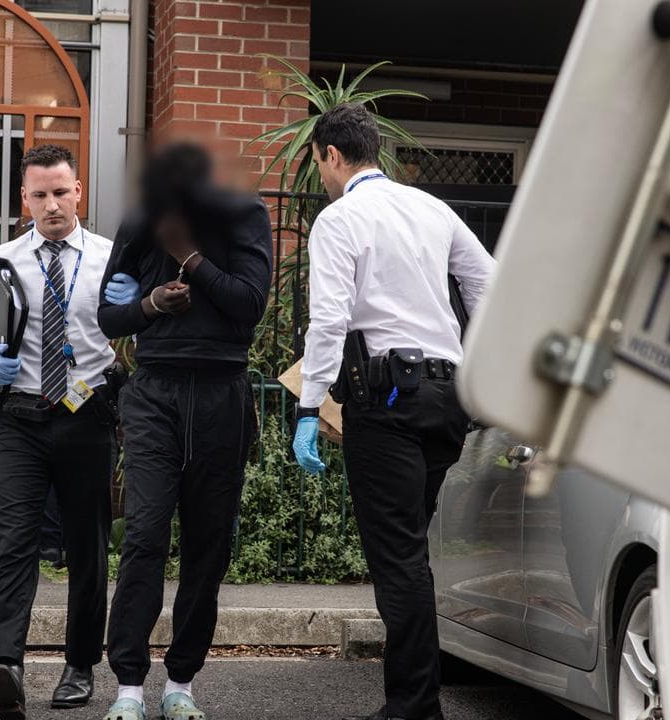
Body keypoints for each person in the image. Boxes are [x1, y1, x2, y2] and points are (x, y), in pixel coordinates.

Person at [292, 103, 495, 720]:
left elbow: (329, 319)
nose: (322, 177)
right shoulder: (432, 208)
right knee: (412, 551)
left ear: (330, 154)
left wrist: (308, 409)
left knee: (399, 558)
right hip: (446, 399)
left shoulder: (340, 217)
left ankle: (414, 707)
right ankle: (416, 699)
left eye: (319, 164)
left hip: (387, 401)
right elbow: (487, 281)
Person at [95, 141, 272, 720]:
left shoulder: (245, 217)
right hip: (156, 392)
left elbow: (249, 304)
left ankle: (181, 683)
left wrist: (190, 259)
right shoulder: (141, 221)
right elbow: (109, 315)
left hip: (223, 391)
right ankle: (127, 687)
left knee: (208, 543)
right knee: (145, 534)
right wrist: (149, 304)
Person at [0, 145, 116, 720]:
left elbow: (136, 336)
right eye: (40, 195)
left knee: (87, 548)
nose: (51, 204)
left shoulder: (108, 259)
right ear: (25, 199)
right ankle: (7, 667)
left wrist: (140, 312)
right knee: (14, 542)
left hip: (87, 414)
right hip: (18, 416)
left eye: (61, 192)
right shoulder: (1, 260)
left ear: (79, 193)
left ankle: (79, 665)